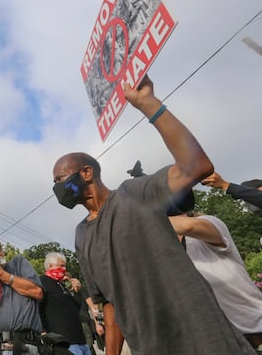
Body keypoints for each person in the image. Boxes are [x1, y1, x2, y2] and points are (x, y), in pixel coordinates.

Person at [51, 75, 254, 354]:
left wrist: (149, 104)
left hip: (203, 340)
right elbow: (109, 303)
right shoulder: (82, 235)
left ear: (86, 173)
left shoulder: (133, 194)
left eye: (61, 179)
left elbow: (196, 165)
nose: (57, 188)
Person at [169, 212, 262, 351]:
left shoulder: (208, 223)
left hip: (254, 331)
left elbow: (189, 226)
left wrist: (138, 217)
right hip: (214, 342)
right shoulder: (158, 250)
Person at [38, 252, 88, 355]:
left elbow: (77, 307)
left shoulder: (62, 284)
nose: (64, 269)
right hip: (64, 342)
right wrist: (43, 331)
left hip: (80, 339)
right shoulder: (43, 281)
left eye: (65, 266)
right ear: (50, 265)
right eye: (61, 265)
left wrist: (76, 291)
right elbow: (38, 307)